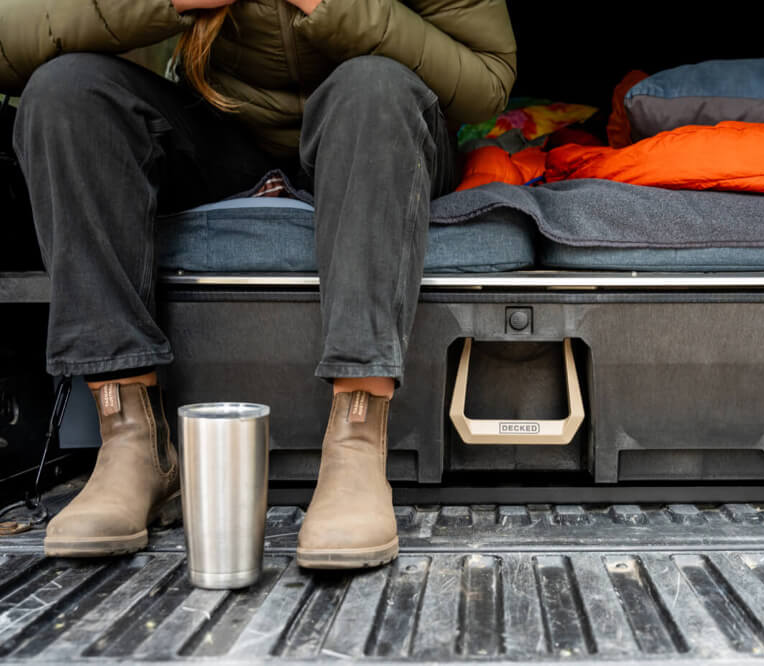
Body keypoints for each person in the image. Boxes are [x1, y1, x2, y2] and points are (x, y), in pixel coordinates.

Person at [0, 0, 516, 568]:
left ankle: (356, 444)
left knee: (373, 85)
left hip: (379, 128)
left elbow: (488, 83)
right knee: (66, 91)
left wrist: (332, 6)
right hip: (224, 137)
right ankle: (132, 442)